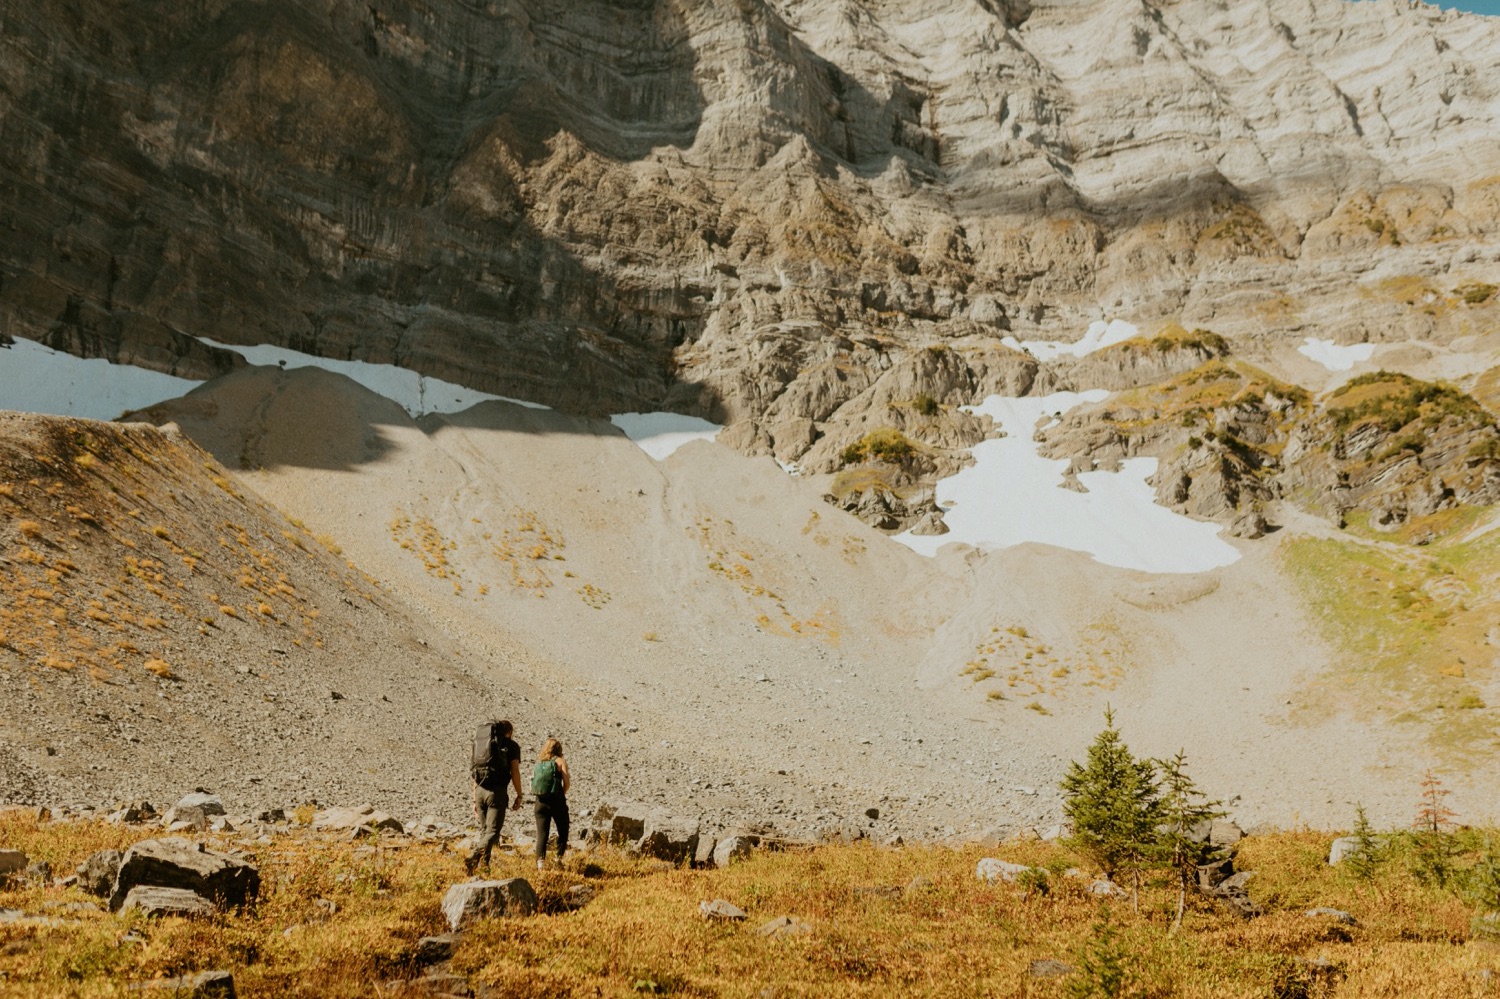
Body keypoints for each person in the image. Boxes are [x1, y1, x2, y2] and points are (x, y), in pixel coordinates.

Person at [465, 719, 523, 874]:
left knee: (485, 831)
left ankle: (483, 867)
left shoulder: (481, 745)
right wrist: (519, 794)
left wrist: (474, 799)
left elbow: (475, 772)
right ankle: (474, 855)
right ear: (509, 732)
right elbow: (515, 771)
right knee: (493, 832)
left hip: (479, 791)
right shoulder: (511, 745)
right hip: (496, 793)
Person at [532, 738, 571, 870]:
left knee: (542, 834)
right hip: (556, 801)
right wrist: (561, 794)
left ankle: (540, 864)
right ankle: (557, 859)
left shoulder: (539, 763)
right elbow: (567, 783)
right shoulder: (560, 762)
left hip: (540, 802)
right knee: (563, 829)